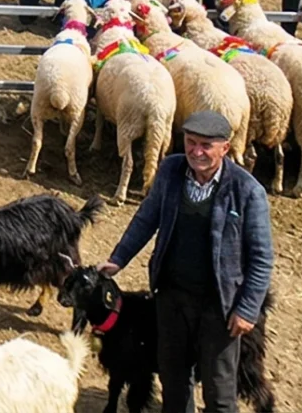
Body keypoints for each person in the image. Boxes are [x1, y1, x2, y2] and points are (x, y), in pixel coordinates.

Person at [97, 111, 274, 413]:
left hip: (219, 306)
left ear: (225, 148)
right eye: (191, 143)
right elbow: (146, 218)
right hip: (171, 298)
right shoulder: (171, 171)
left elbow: (261, 258)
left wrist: (247, 309)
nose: (196, 151)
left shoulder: (247, 191)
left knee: (219, 388)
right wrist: (118, 259)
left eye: (206, 146)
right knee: (174, 380)